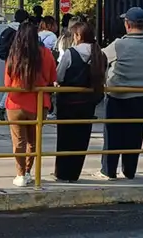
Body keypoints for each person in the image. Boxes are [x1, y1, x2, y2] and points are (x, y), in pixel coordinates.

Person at [99, 7, 143, 180]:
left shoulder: (120, 44)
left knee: (113, 135)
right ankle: (129, 171)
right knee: (134, 135)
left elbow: (99, 57)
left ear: (127, 24)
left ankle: (109, 171)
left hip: (118, 95)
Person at [4, 22, 56, 187]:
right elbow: (52, 77)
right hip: (39, 102)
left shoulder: (14, 54)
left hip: (15, 103)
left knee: (18, 141)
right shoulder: (46, 53)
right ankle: (27, 172)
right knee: (33, 141)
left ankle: (19, 174)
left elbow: (7, 82)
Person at [53, 20, 106, 182]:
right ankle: (74, 173)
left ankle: (62, 173)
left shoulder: (70, 53)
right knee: (81, 140)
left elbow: (59, 75)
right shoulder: (99, 54)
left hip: (68, 103)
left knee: (65, 139)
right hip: (88, 105)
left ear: (78, 36)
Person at [0, 9, 28, 122]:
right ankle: (1, 107)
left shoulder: (8, 29)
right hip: (18, 60)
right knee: (15, 83)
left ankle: (2, 107)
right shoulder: (21, 31)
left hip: (9, 60)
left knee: (12, 83)